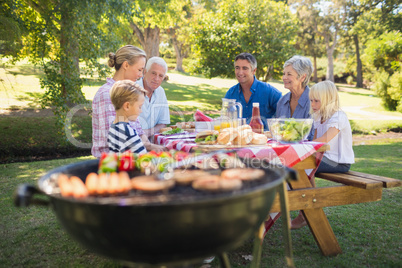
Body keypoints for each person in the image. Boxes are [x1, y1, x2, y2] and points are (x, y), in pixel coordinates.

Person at [291, 80, 355, 229]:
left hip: (338, 162)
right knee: (299, 163)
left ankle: (308, 210)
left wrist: (303, 148)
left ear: (328, 100)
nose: (312, 104)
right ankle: (306, 208)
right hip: (323, 158)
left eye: (316, 101)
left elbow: (323, 141)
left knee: (303, 163)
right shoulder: (318, 116)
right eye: (311, 100)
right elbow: (313, 141)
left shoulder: (338, 117)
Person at [91, 45, 165, 158]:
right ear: (126, 65)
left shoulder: (129, 91)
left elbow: (138, 130)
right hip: (112, 164)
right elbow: (116, 142)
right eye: (139, 70)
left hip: (129, 157)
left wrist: (152, 146)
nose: (141, 75)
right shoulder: (107, 94)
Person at [225, 52, 282, 130]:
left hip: (264, 140)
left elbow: (284, 116)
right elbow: (225, 120)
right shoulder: (230, 94)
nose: (240, 72)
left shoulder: (269, 91)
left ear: (254, 70)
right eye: (237, 68)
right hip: (239, 139)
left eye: (245, 68)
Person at [275, 55, 314, 139]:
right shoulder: (282, 101)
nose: (284, 78)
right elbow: (278, 132)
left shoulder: (314, 102)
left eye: (289, 74)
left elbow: (313, 136)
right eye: (284, 73)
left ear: (302, 77)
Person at [108, 80, 147, 154]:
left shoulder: (114, 127)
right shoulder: (128, 133)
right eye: (139, 107)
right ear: (127, 106)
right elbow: (144, 160)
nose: (141, 111)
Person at [137, 57, 170, 137]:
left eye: (161, 76)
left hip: (152, 143)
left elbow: (163, 124)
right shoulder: (132, 89)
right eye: (153, 73)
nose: (156, 79)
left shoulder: (161, 92)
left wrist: (148, 132)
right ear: (145, 72)